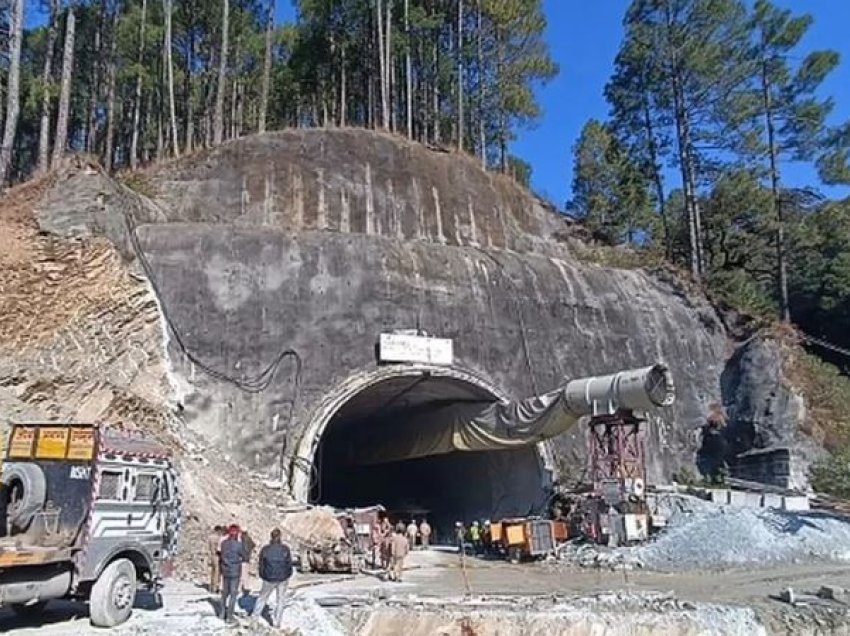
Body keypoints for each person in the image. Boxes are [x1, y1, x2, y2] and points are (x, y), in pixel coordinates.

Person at [251, 528, 293, 628]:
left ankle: (254, 619)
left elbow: (261, 565)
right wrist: (287, 575)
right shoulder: (285, 549)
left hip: (268, 578)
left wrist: (263, 575)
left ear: (271, 537)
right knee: (280, 600)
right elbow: (289, 564)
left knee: (262, 598)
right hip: (282, 578)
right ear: (280, 537)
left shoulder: (265, 549)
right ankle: (277, 622)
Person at [219, 524, 244, 624]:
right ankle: (230, 616)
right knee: (233, 594)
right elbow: (244, 554)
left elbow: (221, 555)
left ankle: (221, 613)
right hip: (235, 571)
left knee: (224, 593)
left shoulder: (224, 543)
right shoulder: (238, 545)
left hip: (225, 570)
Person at [208, 525, 225, 593]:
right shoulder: (218, 538)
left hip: (212, 555)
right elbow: (219, 548)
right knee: (217, 573)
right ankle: (215, 588)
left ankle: (211, 587)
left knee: (213, 572)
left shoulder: (210, 537)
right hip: (217, 556)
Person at [240, 528, 256, 595]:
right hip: (247, 558)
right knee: (245, 575)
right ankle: (245, 588)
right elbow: (253, 545)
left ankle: (242, 588)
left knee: (241, 574)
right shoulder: (249, 539)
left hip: (241, 558)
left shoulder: (240, 539)